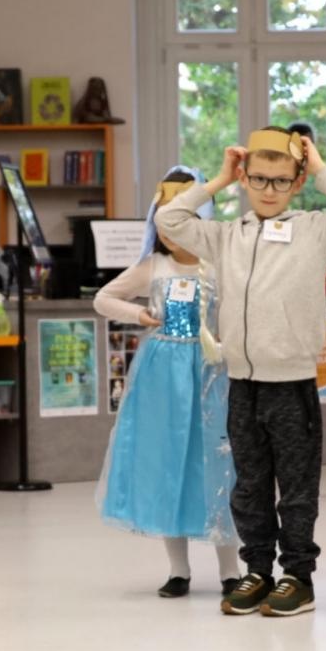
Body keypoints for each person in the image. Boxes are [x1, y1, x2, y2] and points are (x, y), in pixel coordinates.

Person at [156, 127, 326, 617]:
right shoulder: (226, 236)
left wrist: (319, 168)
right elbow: (170, 217)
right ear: (245, 179)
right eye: (258, 179)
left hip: (292, 385)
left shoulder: (315, 230)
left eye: (280, 180)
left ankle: (298, 577)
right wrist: (216, 180)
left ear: (296, 183)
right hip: (243, 384)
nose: (269, 189)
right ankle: (257, 570)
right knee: (249, 486)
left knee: (296, 489)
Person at [94, 166, 240, 598]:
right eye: (166, 221)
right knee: (167, 461)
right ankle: (179, 570)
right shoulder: (152, 267)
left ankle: (231, 570)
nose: (175, 232)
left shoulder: (219, 266)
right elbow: (104, 298)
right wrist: (141, 316)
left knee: (218, 462)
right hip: (163, 377)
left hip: (213, 373)